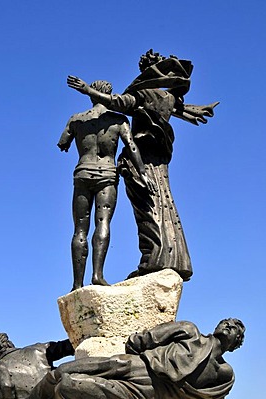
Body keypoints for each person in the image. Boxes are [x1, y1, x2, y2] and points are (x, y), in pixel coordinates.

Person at [67, 50, 218, 281]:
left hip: (140, 162)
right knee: (164, 203)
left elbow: (116, 102)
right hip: (158, 158)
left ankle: (153, 259)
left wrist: (88, 90)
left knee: (147, 207)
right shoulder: (166, 98)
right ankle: (171, 258)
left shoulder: (140, 94)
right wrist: (196, 110)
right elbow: (179, 109)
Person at [0, 318, 245, 399]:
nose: (230, 326)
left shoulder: (224, 374)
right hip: (137, 365)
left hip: (148, 394)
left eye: (236, 329)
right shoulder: (189, 331)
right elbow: (142, 340)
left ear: (235, 344)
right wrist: (135, 354)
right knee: (63, 370)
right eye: (229, 322)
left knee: (69, 385)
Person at [58, 80, 154, 291]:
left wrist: (70, 142)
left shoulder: (76, 119)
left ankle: (76, 284)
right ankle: (97, 275)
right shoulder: (118, 120)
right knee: (103, 222)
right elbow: (133, 147)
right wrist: (143, 173)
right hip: (107, 174)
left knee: (79, 229)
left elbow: (62, 143)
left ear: (92, 95)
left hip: (83, 173)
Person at [0, 333, 74, 399]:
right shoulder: (38, 349)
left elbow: (5, 392)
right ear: (9, 344)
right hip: (61, 396)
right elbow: (69, 345)